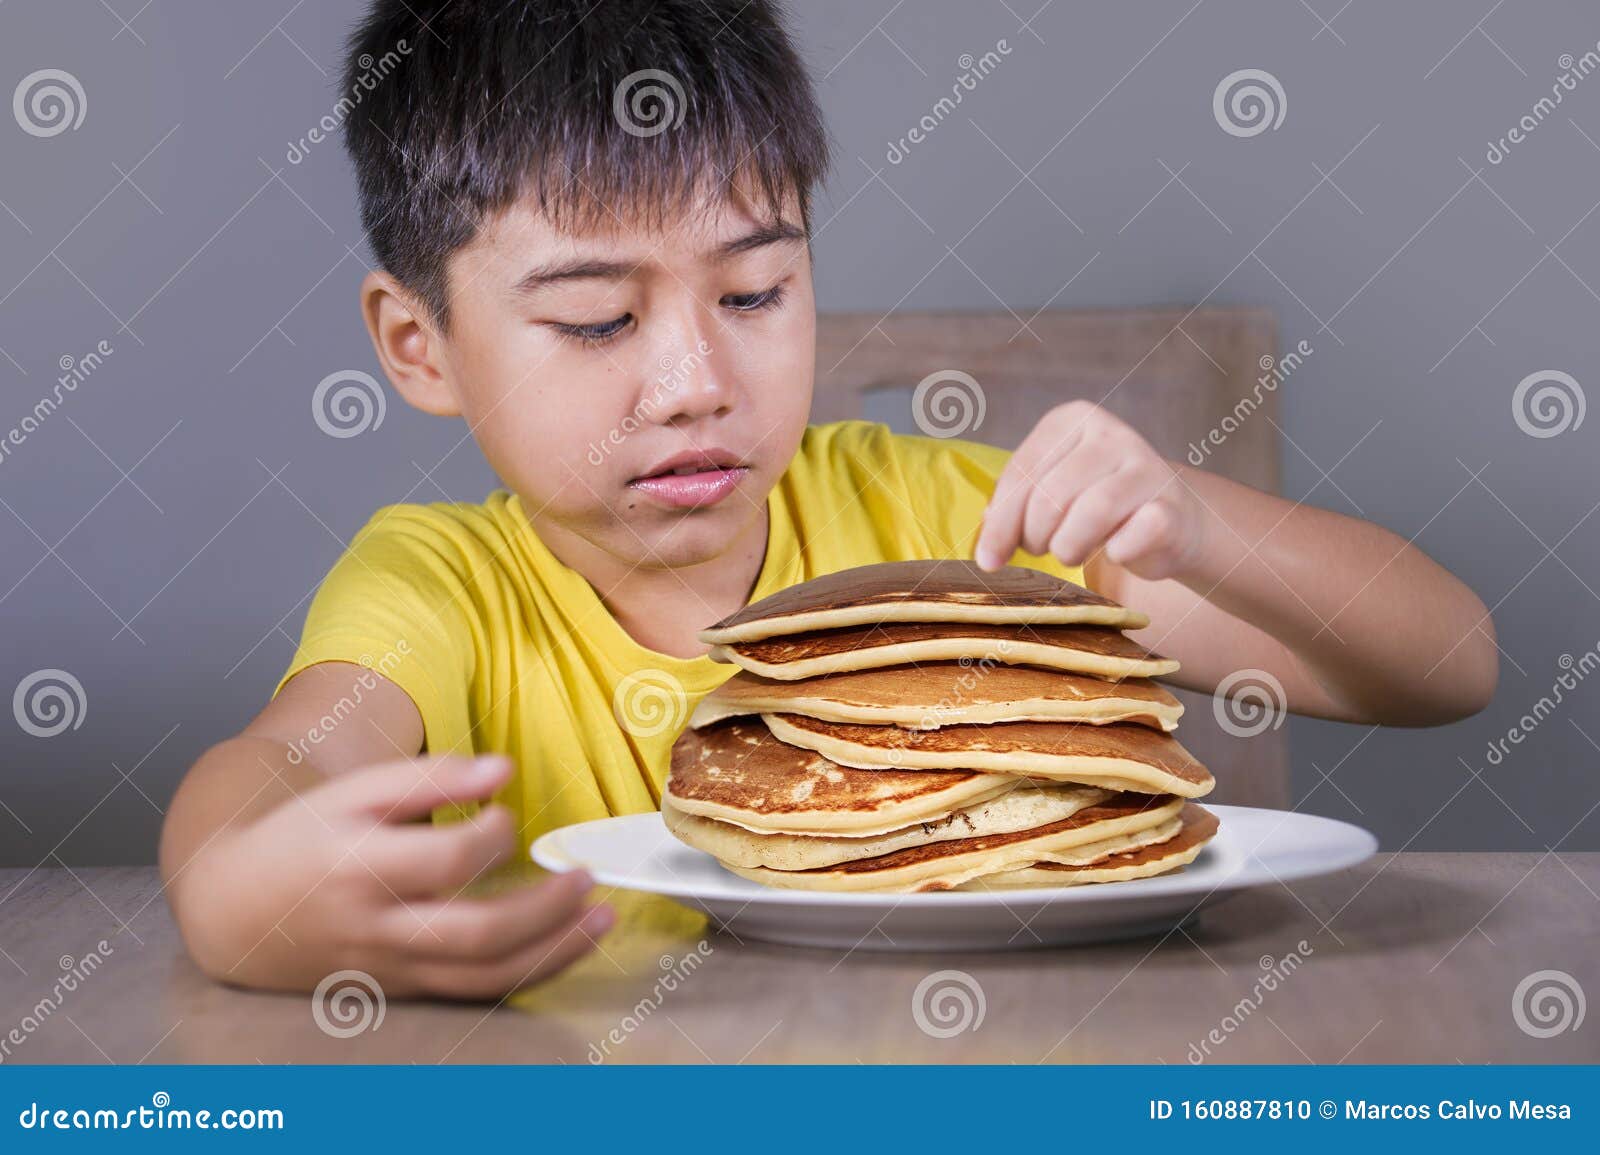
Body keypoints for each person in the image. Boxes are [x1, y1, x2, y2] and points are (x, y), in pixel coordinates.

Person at [159, 0, 1497, 1001]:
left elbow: (1447, 666)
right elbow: (289, 762)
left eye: (752, 294)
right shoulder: (440, 593)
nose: (694, 381)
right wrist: (233, 894)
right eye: (594, 318)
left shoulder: (955, 535)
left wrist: (1198, 523)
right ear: (420, 346)